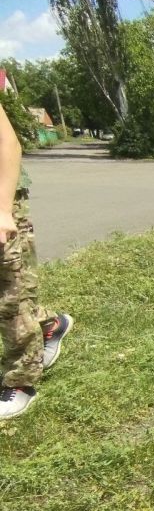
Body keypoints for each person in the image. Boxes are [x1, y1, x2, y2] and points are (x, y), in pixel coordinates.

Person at [0, 101, 72, 419]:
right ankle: (48, 325)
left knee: (8, 295)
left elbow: (7, 142)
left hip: (3, 195)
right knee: (16, 284)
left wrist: (3, 208)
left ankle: (20, 381)